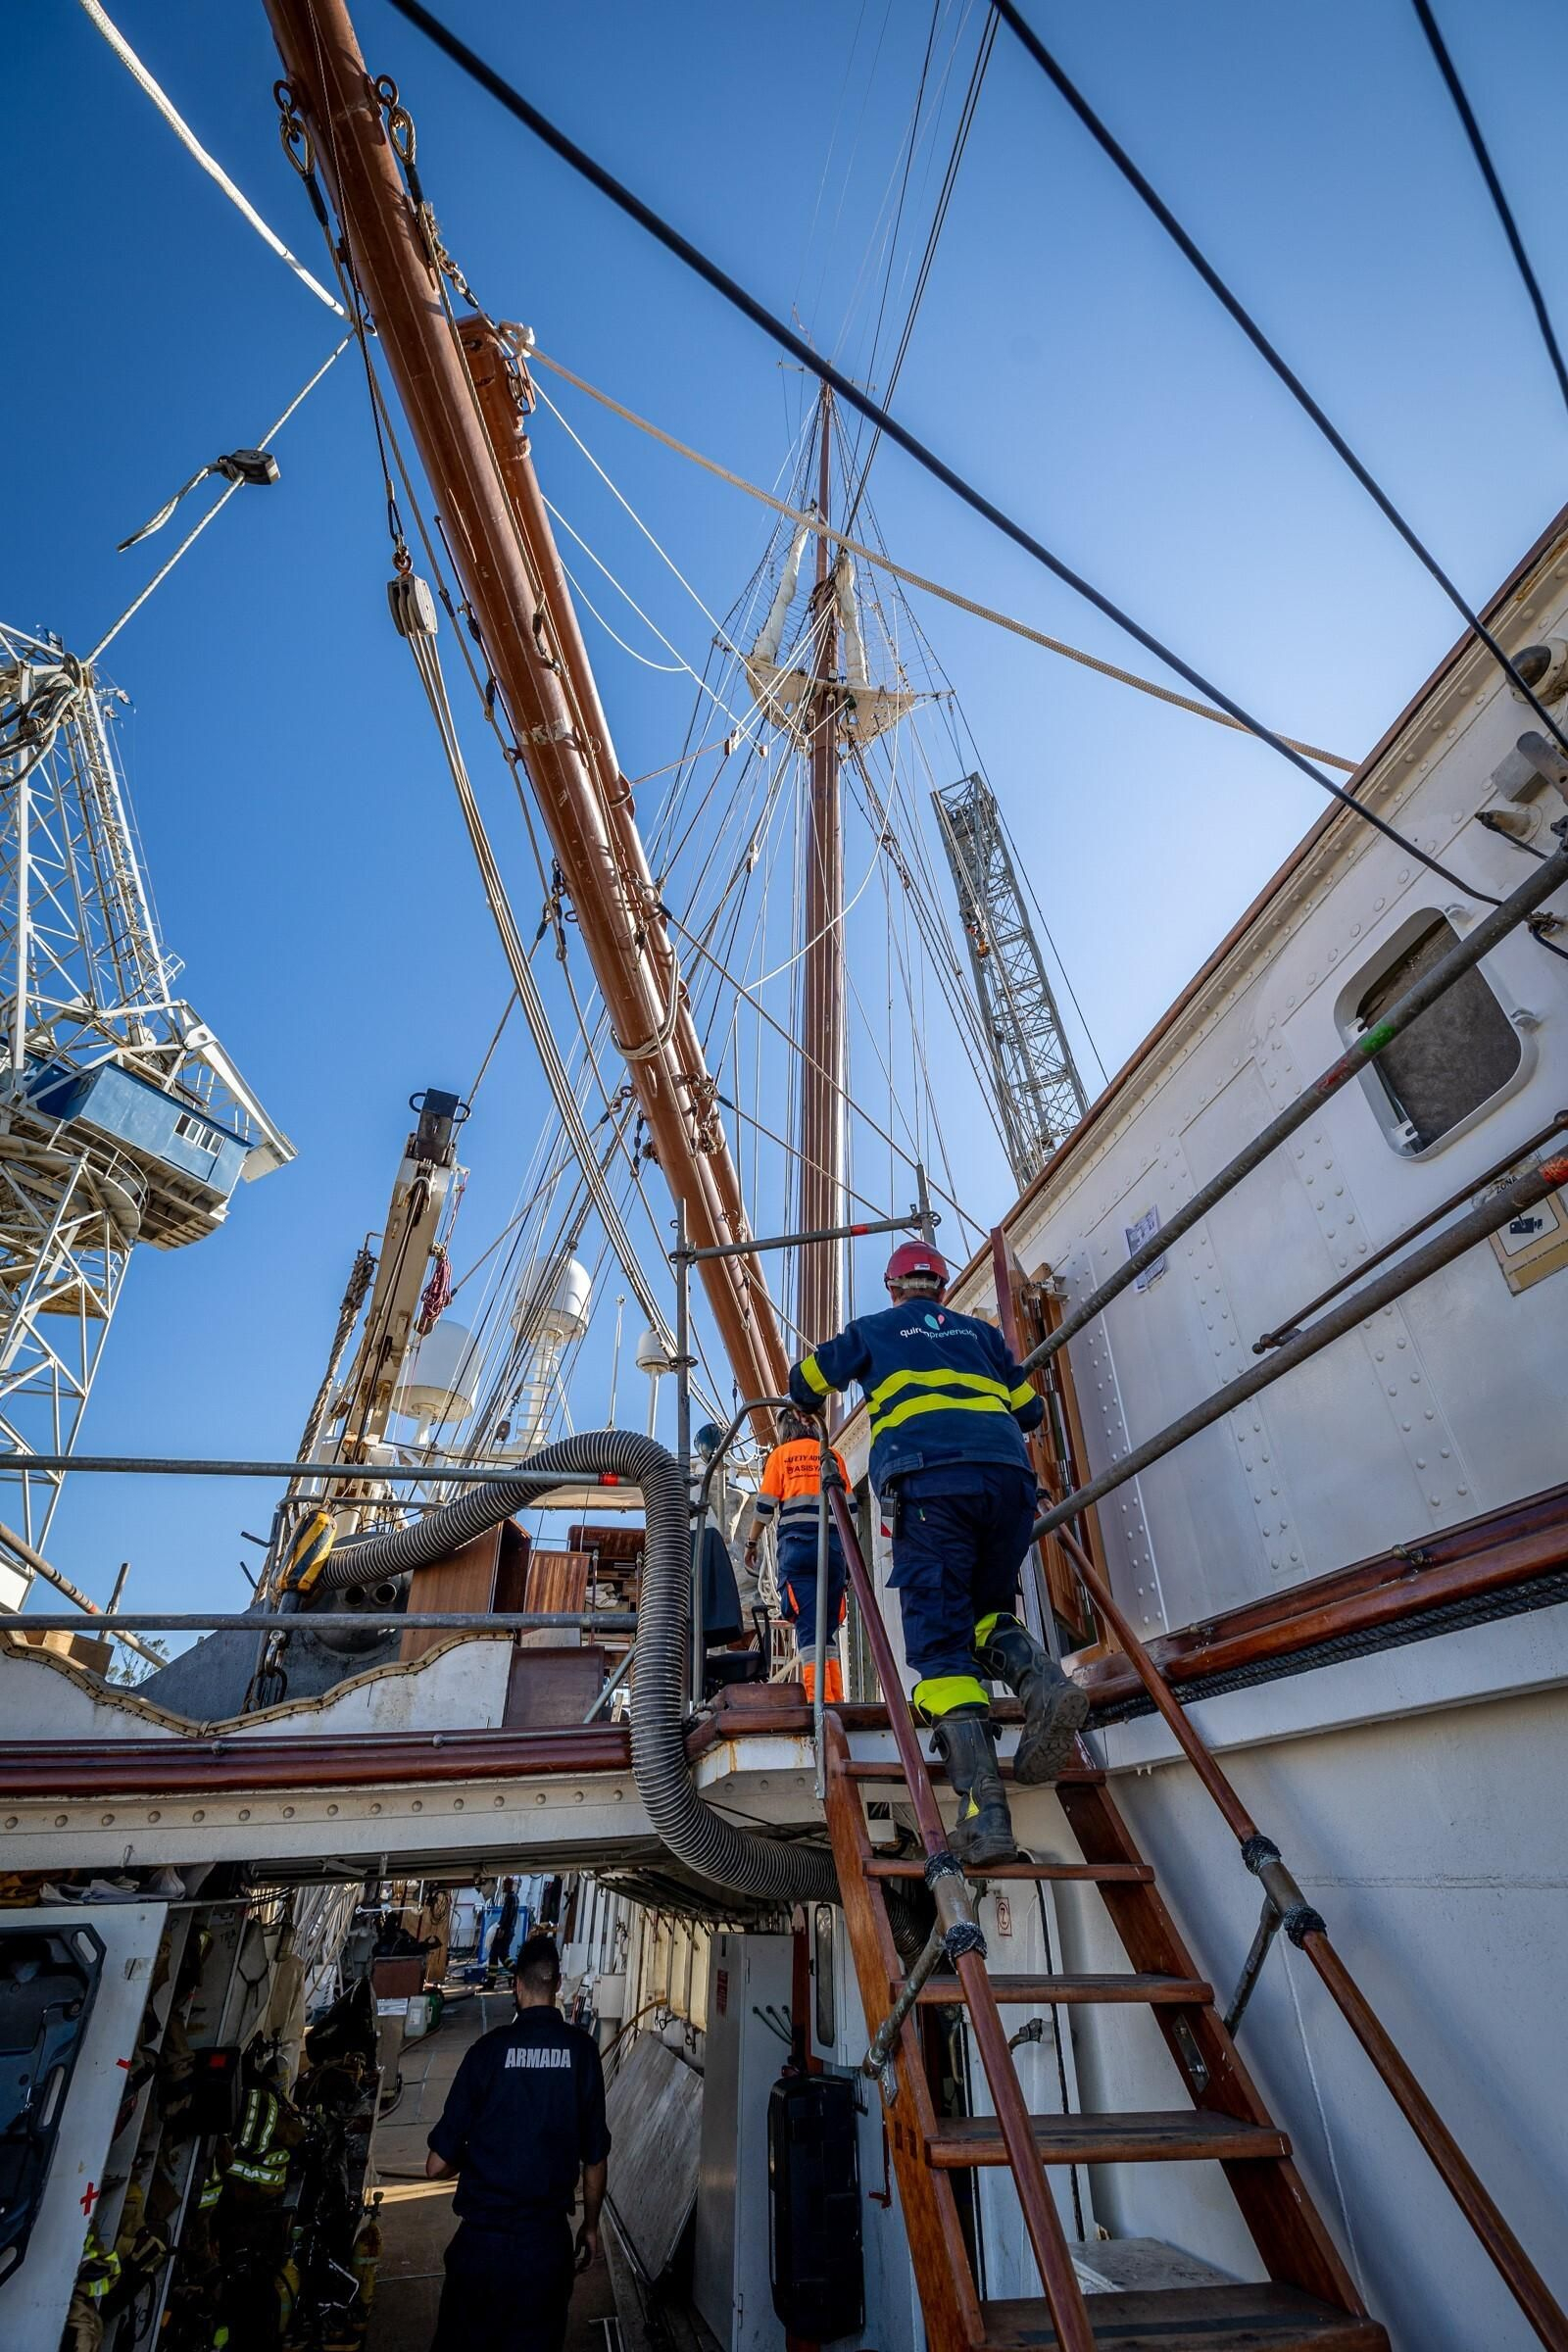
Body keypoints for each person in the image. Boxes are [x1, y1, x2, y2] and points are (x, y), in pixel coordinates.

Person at [789, 1240, 1088, 1862]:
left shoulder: (875, 1328)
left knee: (940, 1651)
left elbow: (806, 1383)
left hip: (933, 1486)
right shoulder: (981, 1335)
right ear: (943, 1290)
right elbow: (1030, 1411)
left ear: (895, 1289)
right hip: (1007, 1484)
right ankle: (1044, 1687)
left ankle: (984, 1815)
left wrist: (815, 1399)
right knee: (987, 1614)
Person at [425, 1935, 611, 2352]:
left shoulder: (486, 2052)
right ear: (557, 1986)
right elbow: (595, 2157)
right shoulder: (582, 2053)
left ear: (516, 1985)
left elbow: (436, 2165)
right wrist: (592, 2226)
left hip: (481, 2251)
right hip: (545, 2252)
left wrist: (475, 2156)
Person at [744, 1406, 855, 1704]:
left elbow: (765, 1507)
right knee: (827, 1632)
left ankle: (818, 1704)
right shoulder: (831, 1455)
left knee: (808, 1632)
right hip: (832, 1552)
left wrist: (750, 1543)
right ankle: (835, 1700)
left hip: (797, 1551)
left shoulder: (780, 1457)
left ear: (785, 1430)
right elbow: (851, 1510)